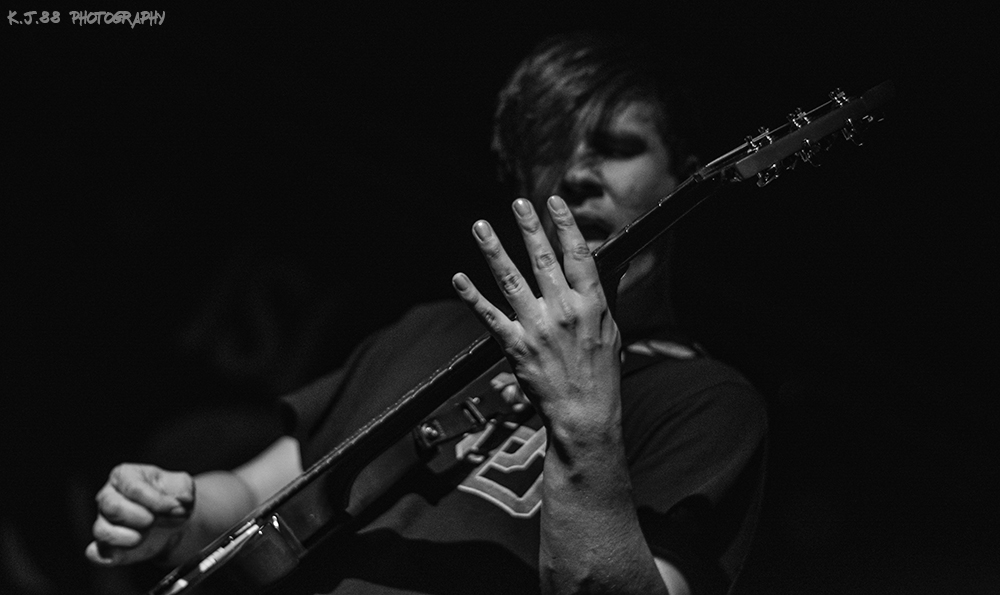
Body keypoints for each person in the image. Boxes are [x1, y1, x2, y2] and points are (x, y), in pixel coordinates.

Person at [86, 31, 768, 595]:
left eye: (618, 147)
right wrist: (177, 510)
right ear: (521, 179)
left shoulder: (706, 404)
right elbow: (254, 495)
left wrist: (584, 422)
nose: (579, 174)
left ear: (682, 176)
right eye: (552, 152)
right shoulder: (430, 331)